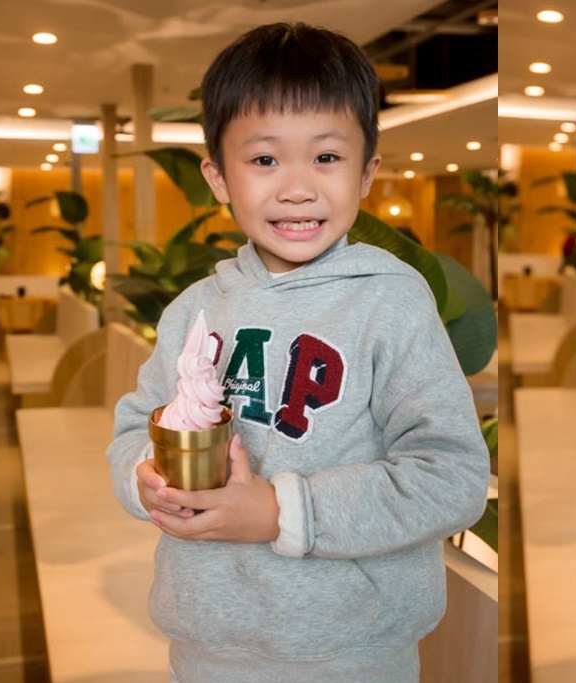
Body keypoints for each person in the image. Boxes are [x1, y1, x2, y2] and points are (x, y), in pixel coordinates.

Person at [107, 23, 489, 683]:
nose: (297, 187)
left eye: (326, 158)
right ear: (218, 177)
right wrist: (147, 477)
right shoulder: (193, 311)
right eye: (263, 160)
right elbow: (131, 429)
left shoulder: (391, 304)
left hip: (353, 654)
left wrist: (280, 511)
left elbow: (450, 478)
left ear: (368, 170)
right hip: (207, 650)